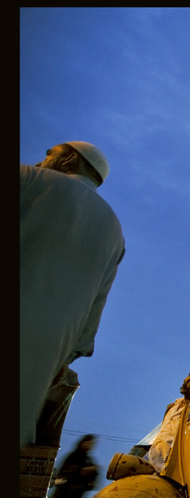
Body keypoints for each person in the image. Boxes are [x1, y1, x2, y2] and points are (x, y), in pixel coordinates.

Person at [20, 141, 125, 450]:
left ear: (69, 159)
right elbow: (93, 314)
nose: (42, 162)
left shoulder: (30, 180)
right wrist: (66, 356)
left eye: (48, 154)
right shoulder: (114, 231)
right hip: (45, 356)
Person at [146, 373, 190, 473]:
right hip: (154, 457)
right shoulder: (171, 407)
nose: (185, 384)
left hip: (173, 461)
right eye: (185, 381)